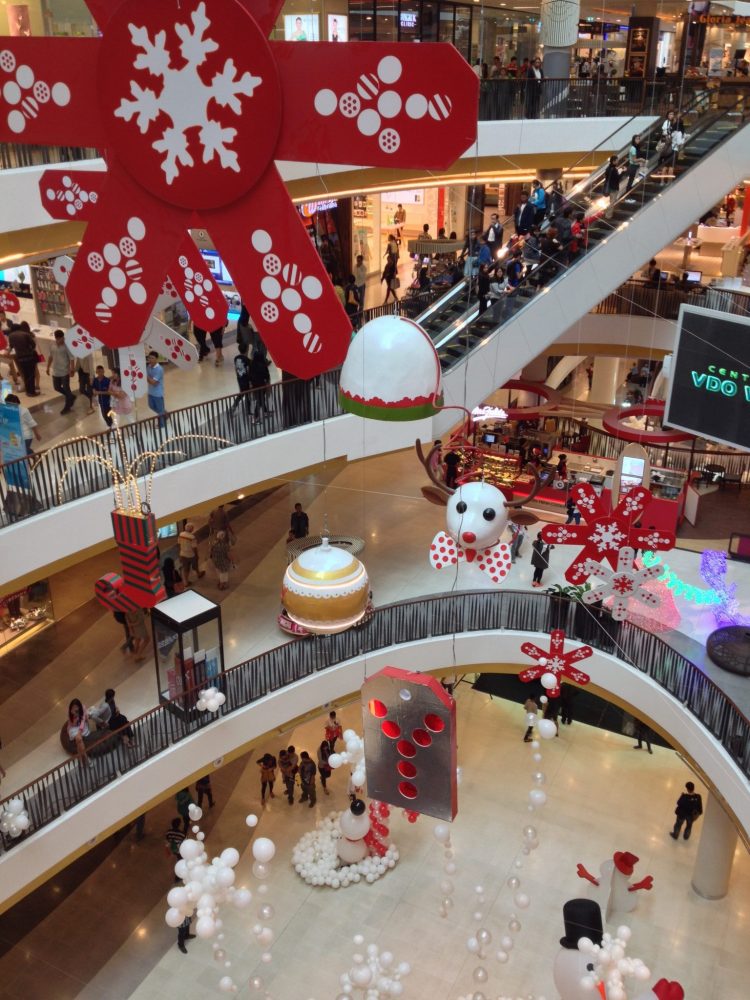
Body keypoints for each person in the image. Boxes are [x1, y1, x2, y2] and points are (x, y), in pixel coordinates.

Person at [46, 329, 76, 413]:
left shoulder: (67, 346)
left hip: (64, 372)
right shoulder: (52, 345)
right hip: (55, 371)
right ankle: (71, 396)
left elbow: (72, 358)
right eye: (61, 339)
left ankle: (67, 407)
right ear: (57, 338)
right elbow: (50, 357)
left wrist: (72, 369)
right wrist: (48, 367)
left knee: (66, 389)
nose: (63, 340)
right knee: (57, 387)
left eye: (63, 338)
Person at [7, 323, 38, 396]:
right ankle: (32, 392)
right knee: (31, 375)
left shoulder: (10, 336)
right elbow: (33, 344)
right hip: (29, 356)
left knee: (25, 374)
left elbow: (11, 346)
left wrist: (8, 352)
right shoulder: (25, 334)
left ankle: (27, 391)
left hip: (20, 357)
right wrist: (30, 350)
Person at [68, 698, 94, 767]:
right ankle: (86, 758)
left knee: (78, 739)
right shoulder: (70, 712)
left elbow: (82, 721)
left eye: (76, 707)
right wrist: (74, 715)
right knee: (79, 739)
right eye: (73, 708)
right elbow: (72, 724)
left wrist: (80, 731)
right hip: (73, 728)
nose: (75, 709)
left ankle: (80, 758)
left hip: (82, 727)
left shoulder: (83, 707)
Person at [248, 349, 271, 420]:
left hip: (254, 385)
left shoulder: (252, 365)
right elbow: (266, 375)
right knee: (260, 399)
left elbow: (249, 376)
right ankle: (256, 416)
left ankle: (265, 411)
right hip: (262, 384)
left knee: (260, 398)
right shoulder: (263, 365)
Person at [146, 351, 166, 428]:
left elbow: (153, 382)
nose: (150, 360)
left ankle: (161, 425)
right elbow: (150, 381)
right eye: (149, 358)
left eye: (152, 358)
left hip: (158, 393)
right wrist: (149, 379)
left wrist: (146, 376)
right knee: (151, 406)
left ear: (156, 359)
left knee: (160, 409)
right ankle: (165, 415)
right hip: (150, 392)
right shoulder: (148, 367)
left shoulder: (159, 369)